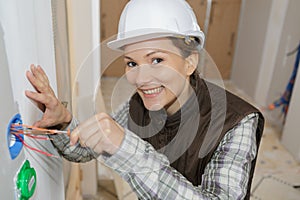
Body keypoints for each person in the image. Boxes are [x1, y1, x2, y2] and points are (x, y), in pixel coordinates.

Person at [25, 0, 264, 199]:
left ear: (190, 61)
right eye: (132, 63)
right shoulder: (139, 106)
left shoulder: (238, 122)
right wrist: (63, 121)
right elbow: (84, 152)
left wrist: (129, 150)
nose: (141, 78)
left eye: (157, 60)